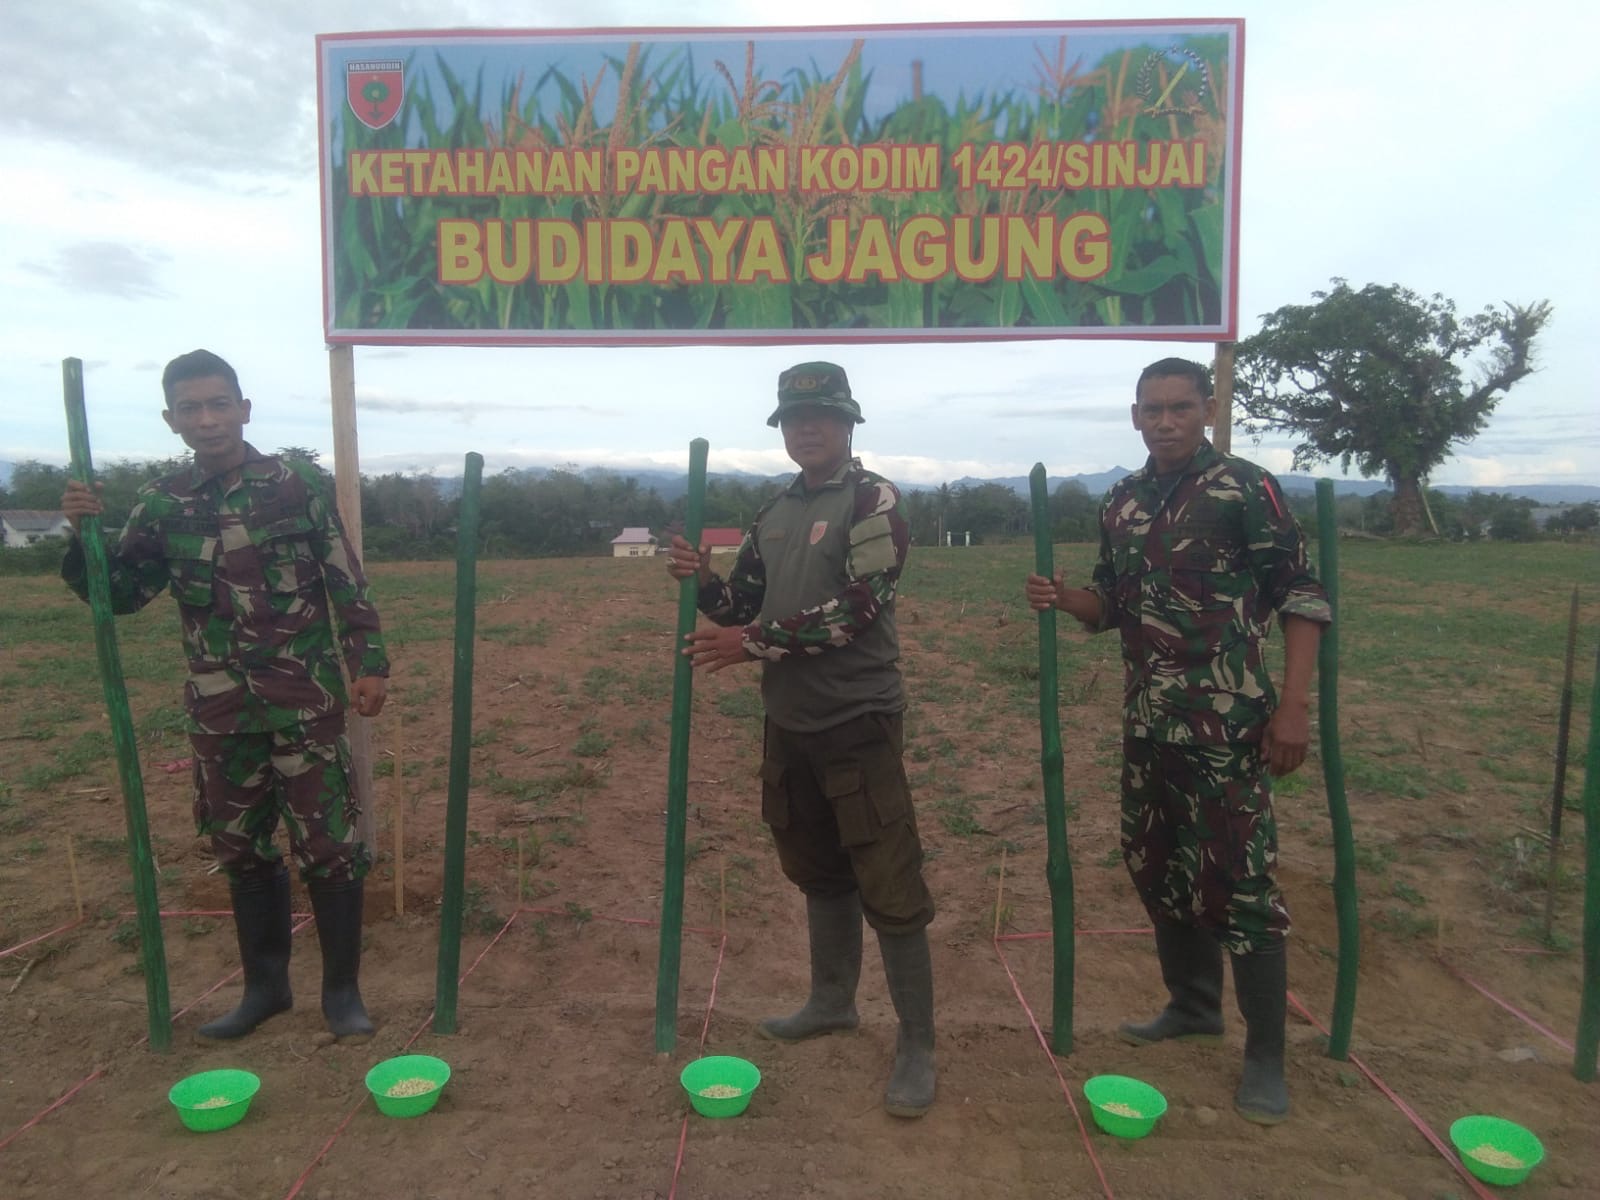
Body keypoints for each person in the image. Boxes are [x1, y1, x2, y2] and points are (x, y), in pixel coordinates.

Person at [1024, 356, 1331, 1125]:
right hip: (1149, 723)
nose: (1166, 421)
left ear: (1207, 409)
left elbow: (1301, 595)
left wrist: (1293, 709)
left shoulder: (1245, 489)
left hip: (1228, 725)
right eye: (1153, 409)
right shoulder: (1123, 501)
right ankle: (1193, 1009)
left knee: (1242, 883)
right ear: (1135, 417)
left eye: (1181, 408)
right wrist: (1065, 599)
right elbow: (1112, 608)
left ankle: (1265, 1058)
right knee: (1158, 865)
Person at [60, 349, 389, 1043]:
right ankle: (265, 990)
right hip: (220, 710)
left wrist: (370, 661)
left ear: (243, 408)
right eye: (190, 409)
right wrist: (81, 536)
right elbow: (119, 596)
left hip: (303, 699)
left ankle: (341, 995)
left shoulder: (294, 484)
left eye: (218, 404)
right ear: (171, 420)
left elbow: (343, 578)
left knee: (329, 845)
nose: (207, 420)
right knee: (239, 847)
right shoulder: (160, 503)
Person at [665, 362, 937, 1118]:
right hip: (790, 724)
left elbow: (856, 609)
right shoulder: (774, 511)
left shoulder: (872, 499)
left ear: (848, 423)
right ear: (782, 429)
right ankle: (830, 1001)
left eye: (820, 415)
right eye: (793, 417)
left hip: (859, 722)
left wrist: (746, 643)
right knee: (818, 870)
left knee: (890, 883)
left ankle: (918, 1043)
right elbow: (738, 603)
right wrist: (703, 580)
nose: (806, 428)